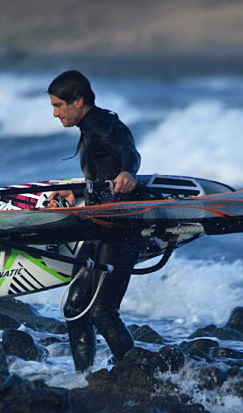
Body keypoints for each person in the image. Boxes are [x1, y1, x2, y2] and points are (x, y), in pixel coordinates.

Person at [46, 70, 142, 372]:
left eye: (59, 105)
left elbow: (129, 151)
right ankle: (83, 378)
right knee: (75, 308)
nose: (55, 113)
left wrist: (128, 173)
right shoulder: (91, 127)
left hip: (122, 228)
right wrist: (76, 190)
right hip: (100, 223)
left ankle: (138, 377)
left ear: (79, 101)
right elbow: (101, 176)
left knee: (103, 312)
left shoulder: (104, 126)